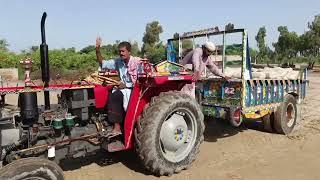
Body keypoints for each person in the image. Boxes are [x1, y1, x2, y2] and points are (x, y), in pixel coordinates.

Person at [96, 37, 141, 137]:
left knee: (114, 96)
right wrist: (97, 49)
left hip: (135, 89)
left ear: (129, 51)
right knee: (108, 92)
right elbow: (102, 63)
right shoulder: (118, 62)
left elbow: (141, 80)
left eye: (123, 51)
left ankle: (117, 127)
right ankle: (107, 120)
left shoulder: (137, 62)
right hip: (123, 88)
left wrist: (127, 85)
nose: (121, 53)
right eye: (119, 51)